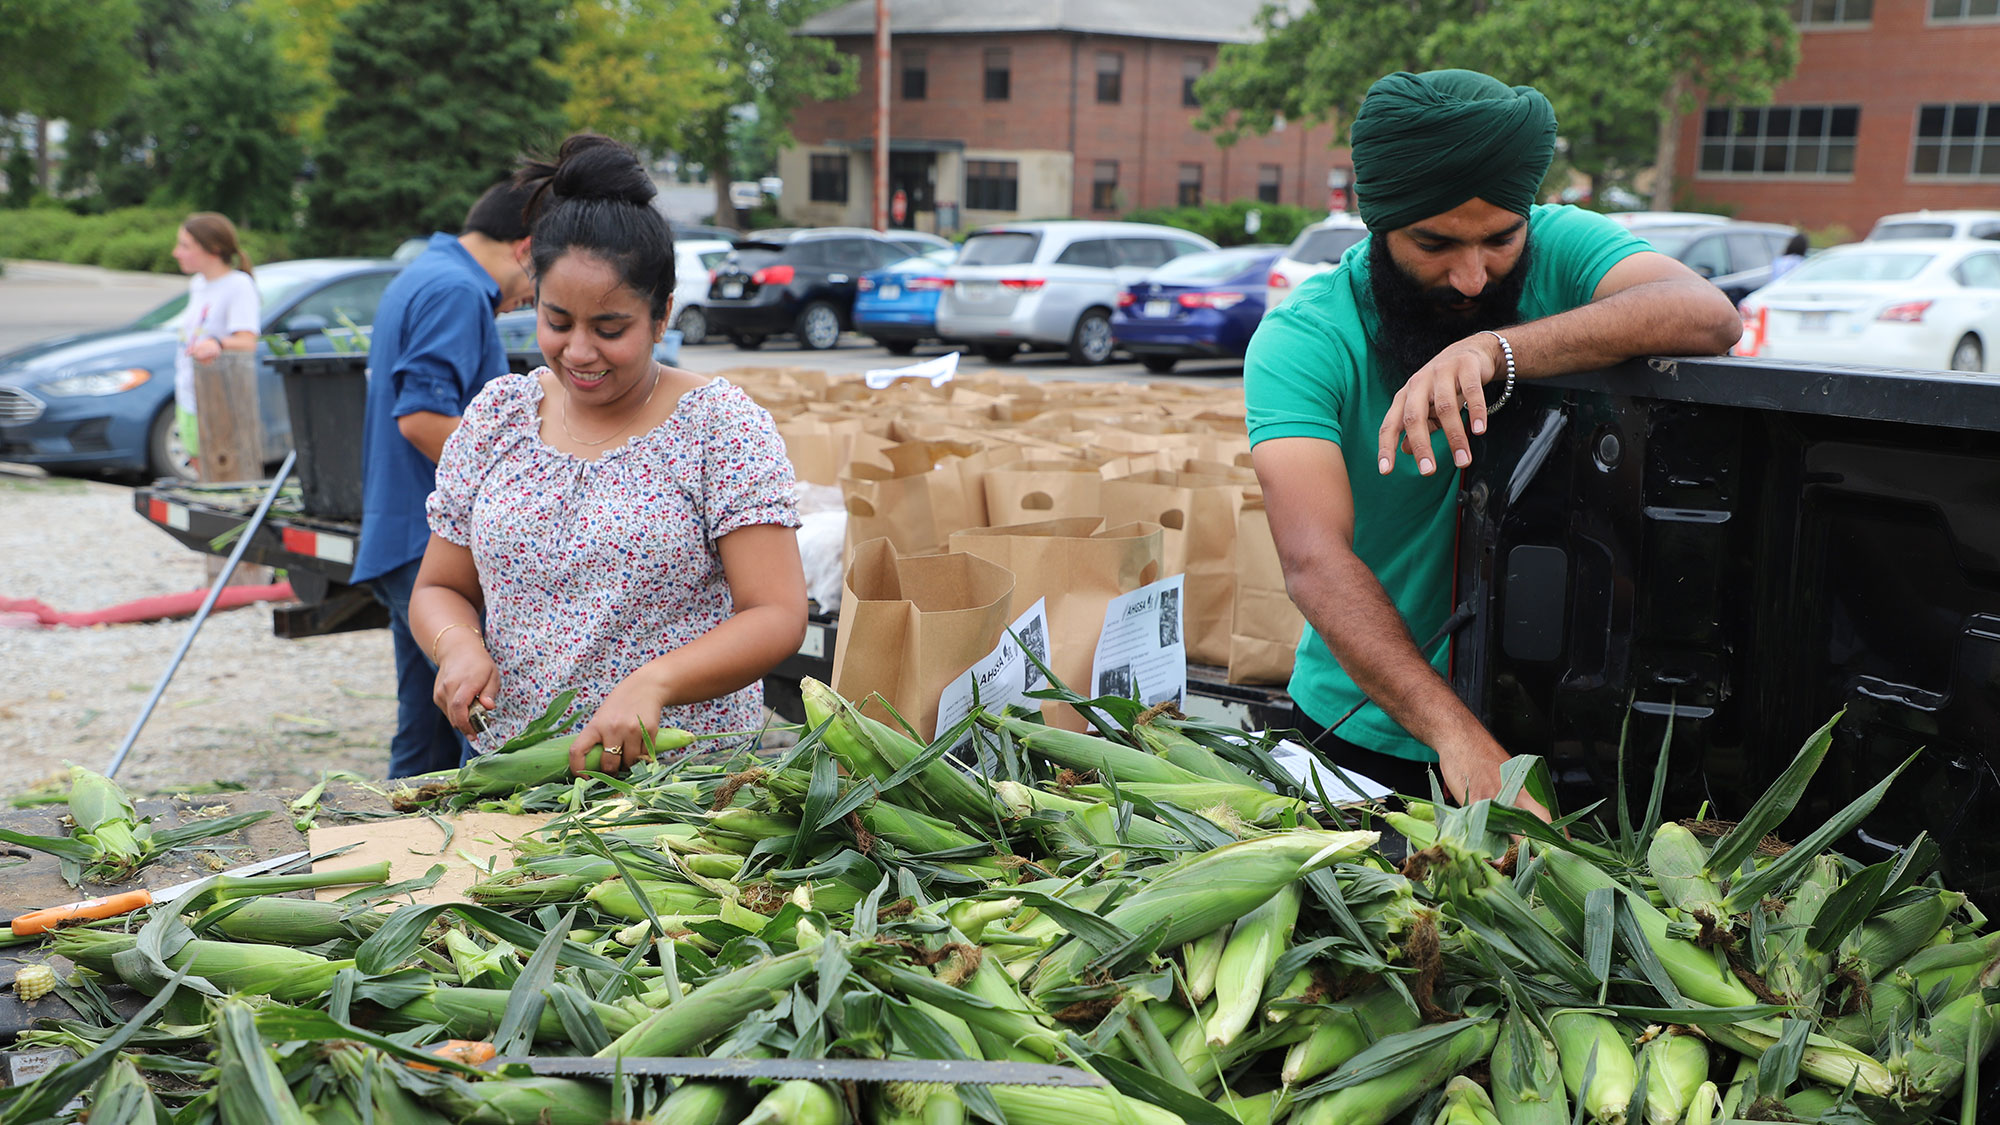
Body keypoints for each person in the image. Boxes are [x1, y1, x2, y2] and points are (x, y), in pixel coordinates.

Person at [1245, 70, 1740, 812]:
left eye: (1500, 239)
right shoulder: (1307, 338)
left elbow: (1707, 315)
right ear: (1376, 223)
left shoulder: (1561, 247)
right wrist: (1456, 735)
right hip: (1371, 736)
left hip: (1566, 731)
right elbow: (1315, 561)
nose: (1473, 276)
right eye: (1435, 243)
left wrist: (1493, 350)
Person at [410, 133, 808, 776]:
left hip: (678, 791)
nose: (579, 352)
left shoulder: (719, 427)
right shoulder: (498, 417)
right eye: (557, 322)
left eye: (611, 328)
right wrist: (457, 645)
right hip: (514, 772)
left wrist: (658, 683)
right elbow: (439, 586)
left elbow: (777, 614)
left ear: (662, 315)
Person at [350, 176, 541, 779]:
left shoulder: (425, 271)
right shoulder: (457, 289)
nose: (527, 302)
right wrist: (529, 489)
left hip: (400, 532)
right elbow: (423, 417)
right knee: (474, 732)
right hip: (426, 544)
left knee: (425, 733)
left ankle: (394, 846)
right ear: (526, 248)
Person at [170, 213, 261, 468]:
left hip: (219, 399)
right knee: (200, 467)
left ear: (214, 248)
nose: (176, 252)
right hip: (189, 392)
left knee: (219, 471)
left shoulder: (238, 285)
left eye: (185, 246)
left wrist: (218, 344)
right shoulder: (198, 284)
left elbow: (247, 341)